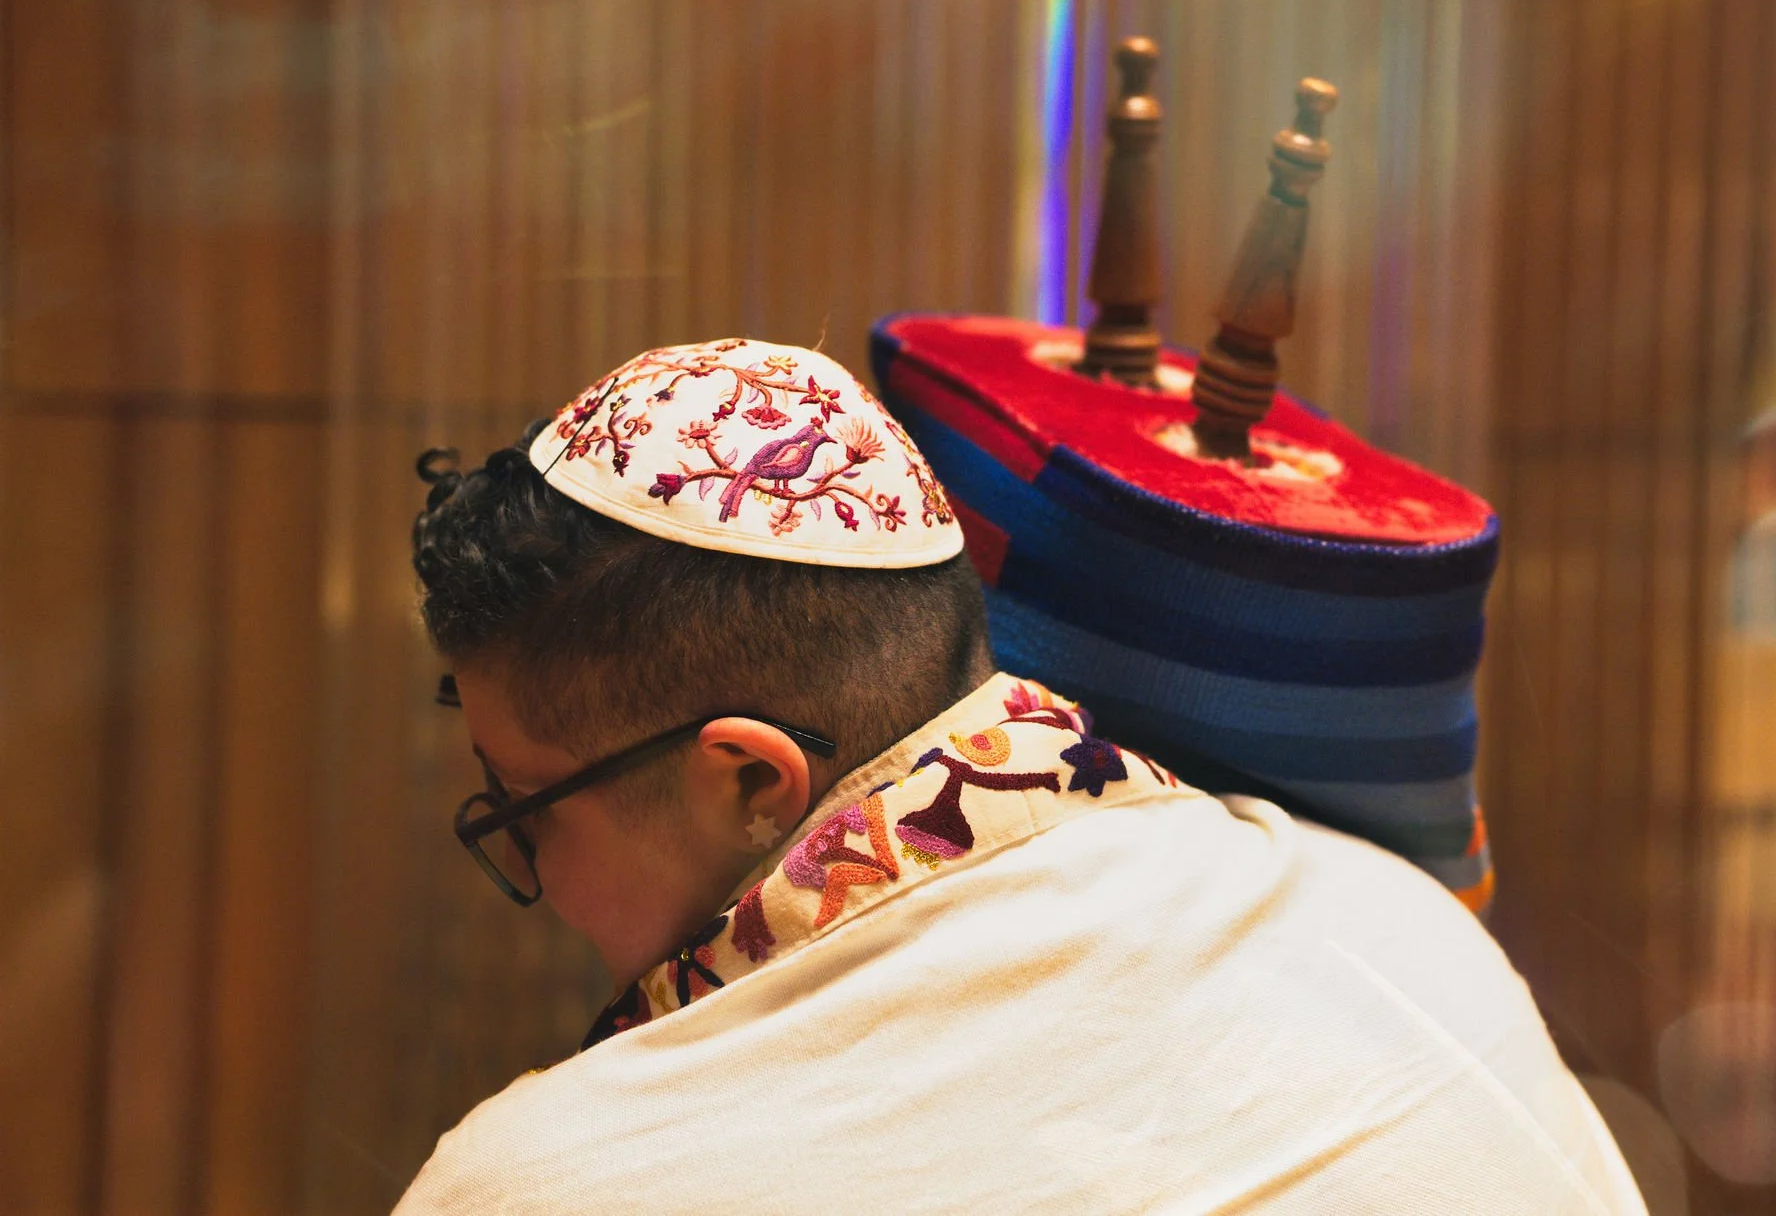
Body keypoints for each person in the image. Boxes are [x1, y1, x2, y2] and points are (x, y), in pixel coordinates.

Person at [395, 339, 1647, 1214]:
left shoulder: (558, 1184)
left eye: (520, 812)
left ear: (746, 782)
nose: (525, 869)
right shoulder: (1392, 924)